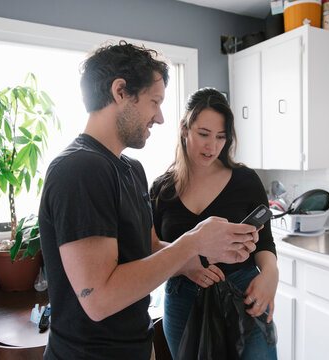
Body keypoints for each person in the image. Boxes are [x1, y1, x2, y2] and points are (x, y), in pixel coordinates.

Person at [38, 42, 261, 360]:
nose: (159, 117)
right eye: (154, 101)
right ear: (120, 92)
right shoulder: (80, 169)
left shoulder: (131, 168)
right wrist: (193, 242)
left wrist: (196, 261)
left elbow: (151, 246)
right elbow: (98, 299)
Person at [150, 88, 279, 359]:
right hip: (183, 297)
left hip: (245, 296)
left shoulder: (246, 180)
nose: (212, 146)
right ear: (185, 129)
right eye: (204, 134)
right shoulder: (163, 189)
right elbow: (151, 248)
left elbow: (264, 242)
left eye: (221, 137)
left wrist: (270, 273)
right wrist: (187, 266)